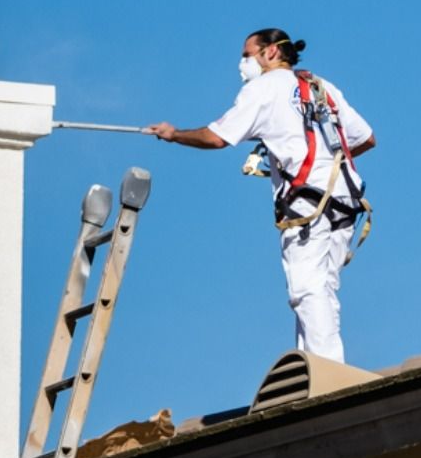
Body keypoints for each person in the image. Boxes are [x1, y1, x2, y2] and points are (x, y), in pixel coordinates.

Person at [145, 29, 376, 362]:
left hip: (307, 205)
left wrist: (173, 134)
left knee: (307, 289)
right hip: (345, 202)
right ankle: (314, 365)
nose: (242, 63)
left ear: (269, 53)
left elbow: (216, 137)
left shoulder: (263, 89)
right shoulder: (319, 86)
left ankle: (329, 372)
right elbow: (366, 139)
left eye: (246, 54)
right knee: (322, 289)